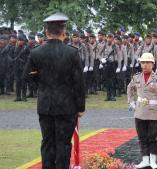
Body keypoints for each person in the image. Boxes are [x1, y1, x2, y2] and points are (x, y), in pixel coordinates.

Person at [22, 12, 85, 169]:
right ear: (63, 33)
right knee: (63, 144)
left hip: (45, 105)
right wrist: (80, 107)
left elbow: (26, 77)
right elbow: (79, 83)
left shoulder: (36, 52)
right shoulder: (72, 53)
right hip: (66, 106)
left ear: (46, 33)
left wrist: (42, 83)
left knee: (47, 143)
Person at [127, 53, 157, 169]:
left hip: (153, 111)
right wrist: (131, 102)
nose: (144, 65)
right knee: (142, 137)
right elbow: (130, 89)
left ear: (152, 64)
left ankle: (153, 161)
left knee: (152, 137)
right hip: (139, 111)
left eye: (147, 63)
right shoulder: (136, 77)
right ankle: (145, 160)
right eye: (142, 62)